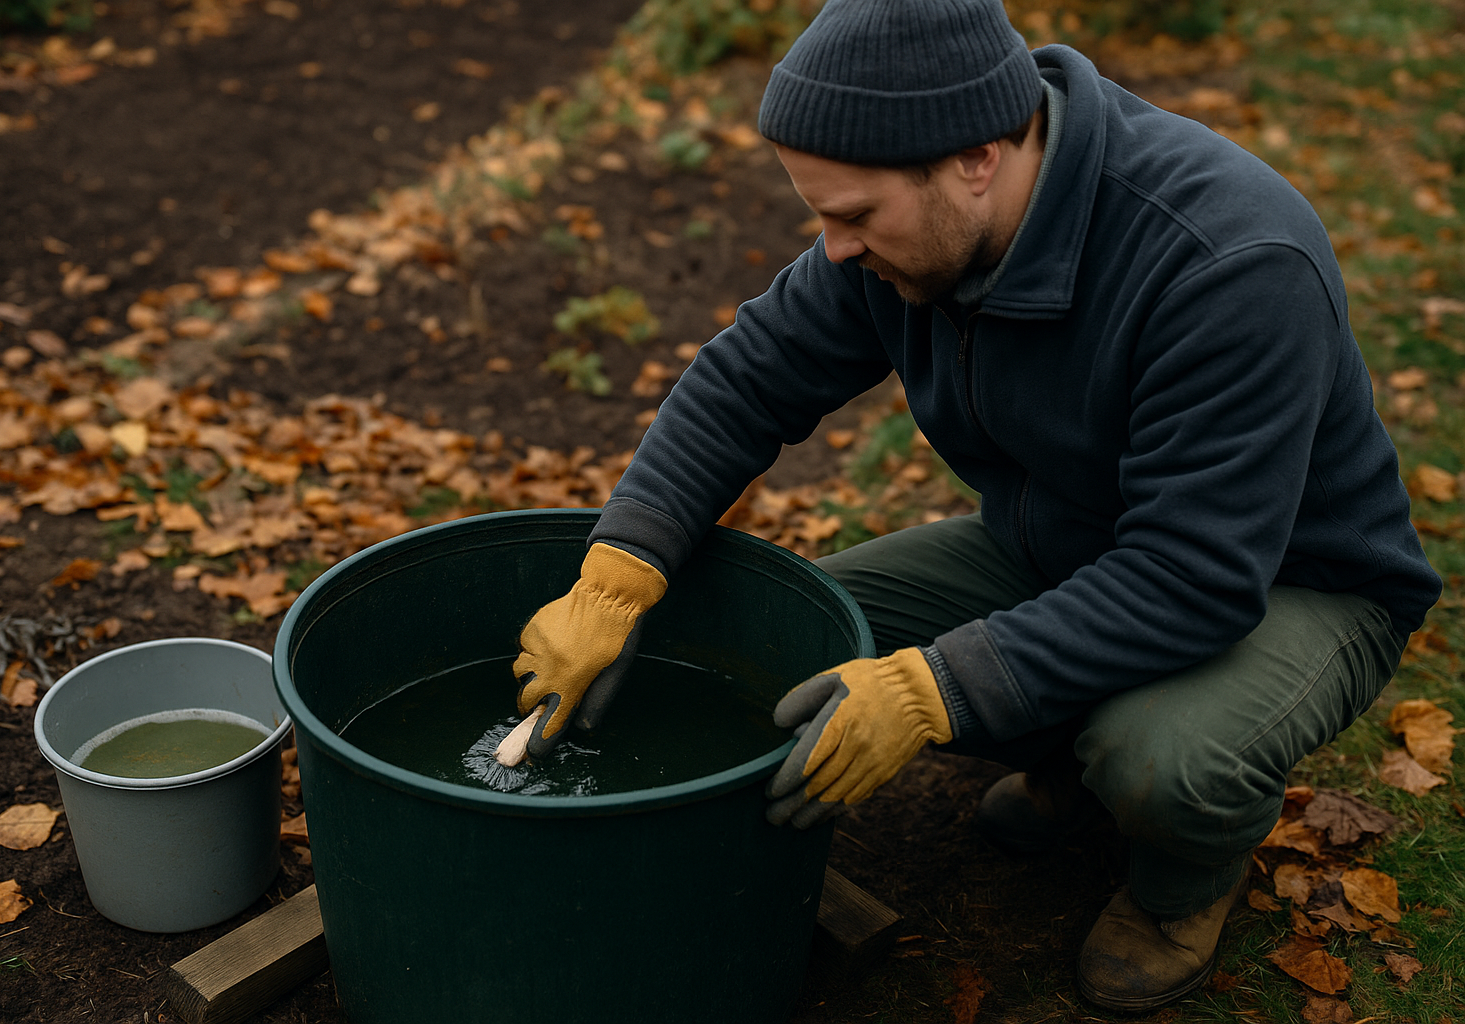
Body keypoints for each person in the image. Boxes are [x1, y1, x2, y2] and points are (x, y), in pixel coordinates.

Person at [509, 0, 1442, 1010]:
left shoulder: (1227, 261)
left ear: (976, 158)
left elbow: (1195, 576)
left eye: (856, 216)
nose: (832, 250)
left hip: (1289, 585)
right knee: (789, 629)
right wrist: (621, 568)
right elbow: (747, 379)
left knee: (1158, 760)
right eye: (820, 214)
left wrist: (934, 689)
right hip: (1067, 543)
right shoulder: (913, 222)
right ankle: (1068, 752)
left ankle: (1177, 883)